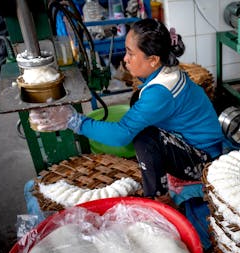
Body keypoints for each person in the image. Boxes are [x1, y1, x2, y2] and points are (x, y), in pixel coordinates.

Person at [29, 18, 224, 204]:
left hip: (203, 161)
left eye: (130, 53)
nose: (125, 59)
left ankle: (159, 199)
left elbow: (121, 136)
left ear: (154, 60)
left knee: (145, 137)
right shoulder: (168, 71)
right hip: (201, 145)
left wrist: (74, 121)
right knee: (137, 109)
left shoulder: (160, 92)